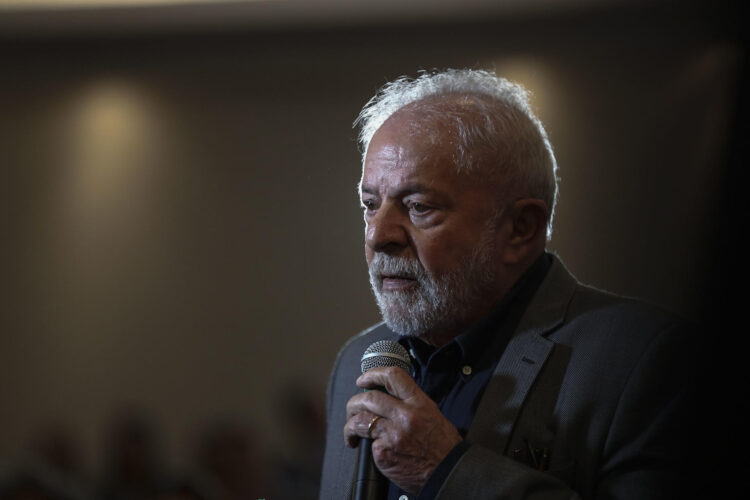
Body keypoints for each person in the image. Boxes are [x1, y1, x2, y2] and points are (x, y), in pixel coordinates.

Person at [319, 69, 697, 499]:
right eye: (370, 204)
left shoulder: (644, 359)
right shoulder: (356, 363)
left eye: (419, 206)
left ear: (520, 228)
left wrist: (446, 472)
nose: (377, 235)